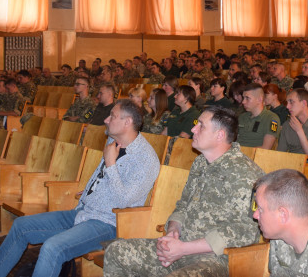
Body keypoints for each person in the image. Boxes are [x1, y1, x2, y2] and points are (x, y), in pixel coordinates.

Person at [0, 100, 160, 277]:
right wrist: (93, 189)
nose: (106, 119)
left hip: (108, 224)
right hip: (83, 211)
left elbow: (124, 202)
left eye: (112, 116)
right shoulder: (113, 140)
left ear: (127, 122)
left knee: (52, 248)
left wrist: (111, 164)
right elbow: (103, 176)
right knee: (21, 226)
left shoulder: (146, 158)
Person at [104, 106, 264, 276]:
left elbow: (246, 231)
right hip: (180, 246)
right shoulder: (200, 163)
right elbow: (183, 205)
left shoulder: (246, 174)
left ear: (220, 135)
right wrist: (173, 232)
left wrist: (184, 248)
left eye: (201, 125)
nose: (193, 129)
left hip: (214, 259)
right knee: (115, 251)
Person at [237, 83, 280, 148]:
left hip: (255, 156)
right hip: (236, 154)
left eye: (247, 98)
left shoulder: (271, 118)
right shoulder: (242, 117)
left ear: (259, 99)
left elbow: (266, 148)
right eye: (243, 98)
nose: (243, 102)